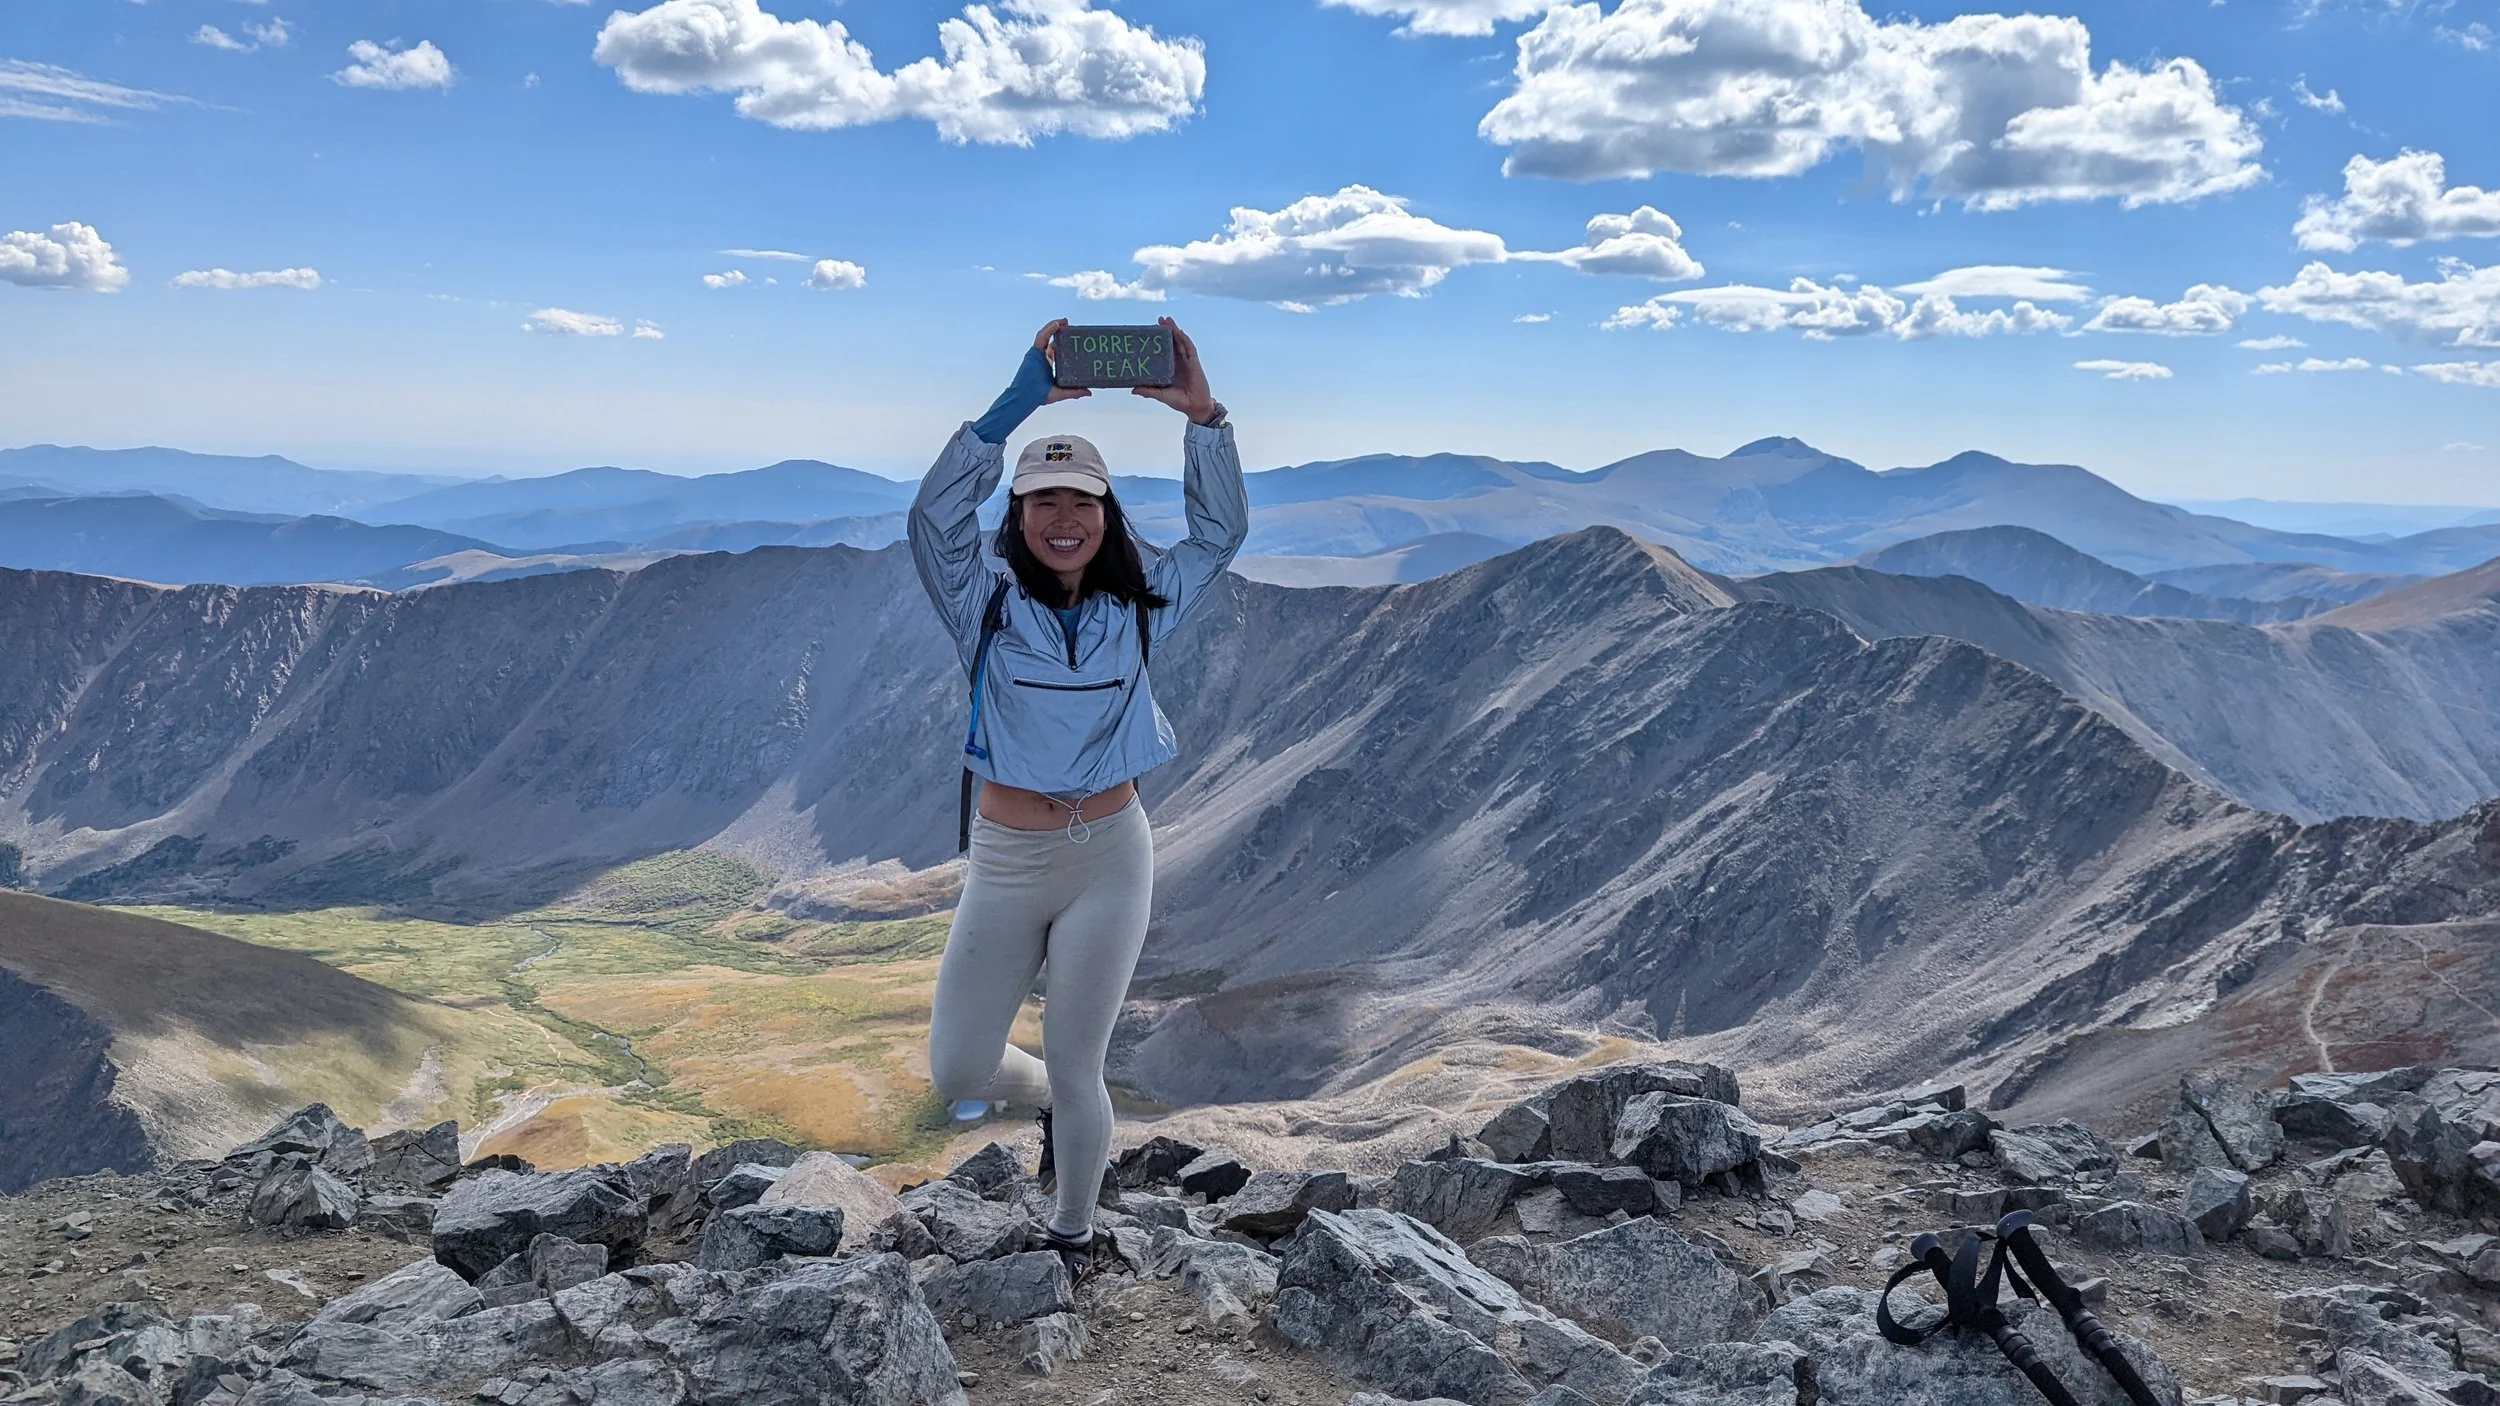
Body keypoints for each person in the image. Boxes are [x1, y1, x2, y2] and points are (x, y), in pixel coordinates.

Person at [906, 316, 1245, 1275]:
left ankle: (1071, 1233)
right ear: (1016, 515)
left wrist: (1205, 420)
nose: (1065, 517)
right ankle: (1055, 1105)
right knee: (960, 1069)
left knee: (1078, 1059)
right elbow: (932, 521)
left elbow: (1219, 534)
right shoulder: (981, 603)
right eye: (1043, 499)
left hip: (1110, 854)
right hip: (1009, 861)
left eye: (1083, 500)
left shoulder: (1142, 606)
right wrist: (1019, 403)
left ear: (1108, 514)